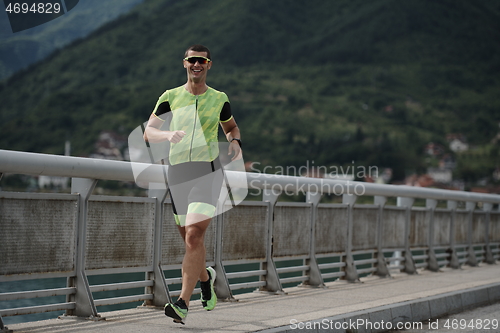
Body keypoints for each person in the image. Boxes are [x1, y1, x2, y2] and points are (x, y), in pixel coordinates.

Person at [143, 44, 242, 324]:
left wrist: (235, 140)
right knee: (190, 242)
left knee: (194, 237)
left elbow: (231, 126)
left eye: (202, 60)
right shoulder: (170, 97)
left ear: (209, 64)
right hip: (178, 175)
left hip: (207, 173)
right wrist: (168, 133)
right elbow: (149, 132)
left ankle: (182, 303)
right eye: (192, 60)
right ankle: (206, 277)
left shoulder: (219, 98)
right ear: (184, 63)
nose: (196, 64)